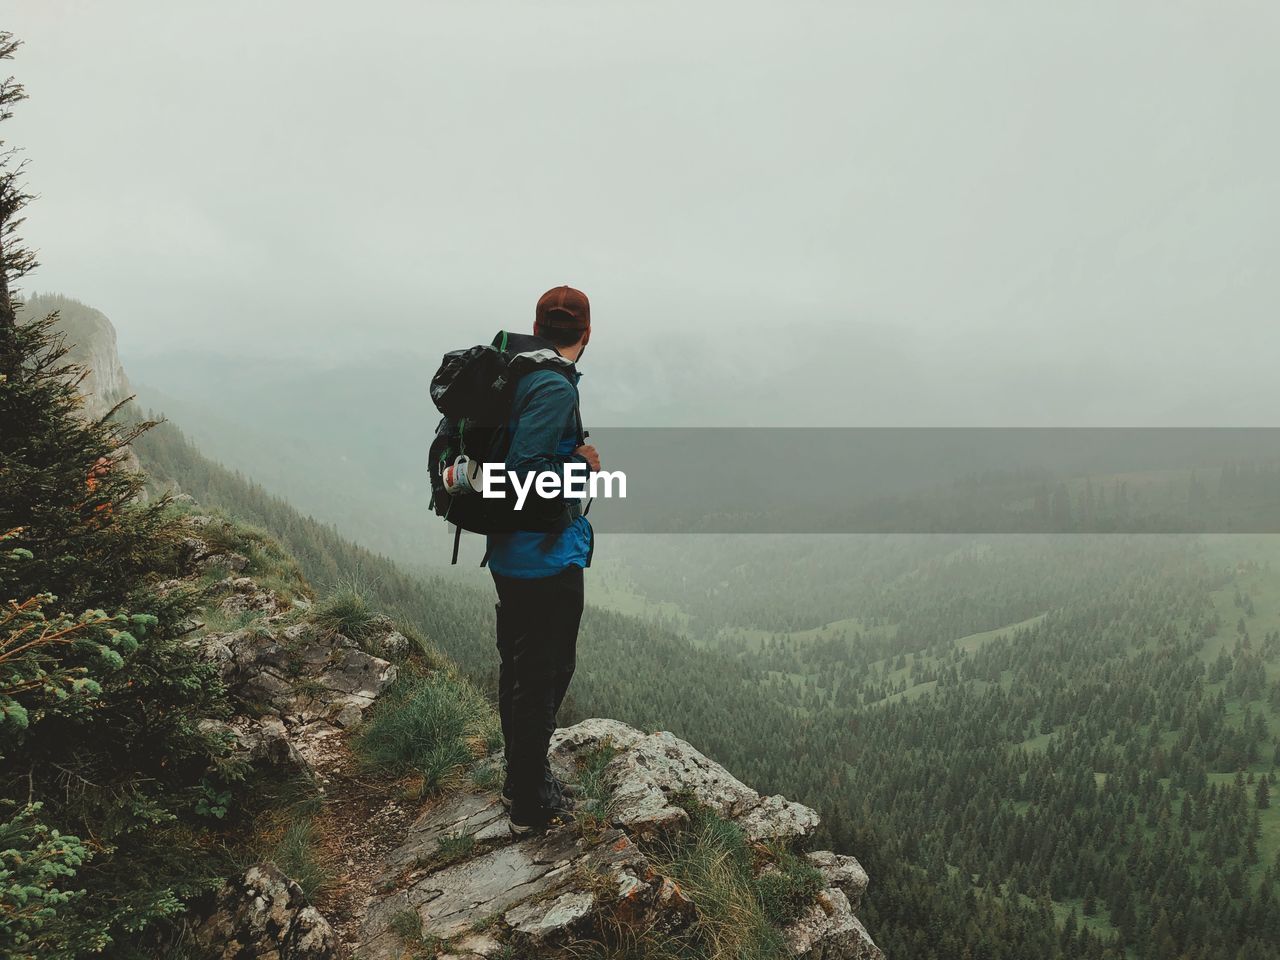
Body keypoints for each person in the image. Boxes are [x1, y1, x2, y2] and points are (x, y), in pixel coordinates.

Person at [488, 284, 599, 835]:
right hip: (546, 558)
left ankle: (521, 779)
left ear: (536, 325)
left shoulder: (515, 372)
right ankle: (531, 799)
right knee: (545, 674)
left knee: (519, 667)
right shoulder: (553, 388)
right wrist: (583, 466)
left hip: (510, 551)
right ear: (587, 332)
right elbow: (523, 474)